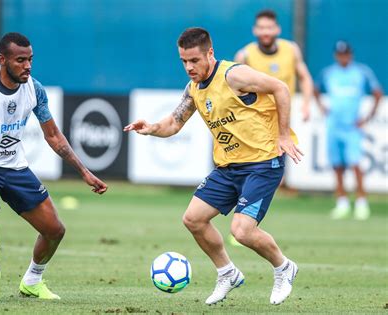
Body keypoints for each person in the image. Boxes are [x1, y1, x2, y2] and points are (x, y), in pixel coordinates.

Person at [124, 27, 302, 305]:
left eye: (194, 60)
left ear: (210, 53)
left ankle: (283, 267)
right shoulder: (193, 89)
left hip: (262, 162)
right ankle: (227, 272)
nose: (188, 67)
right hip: (229, 167)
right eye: (183, 61)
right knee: (193, 219)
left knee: (241, 231)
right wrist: (152, 127)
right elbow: (174, 123)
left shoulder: (234, 75)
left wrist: (282, 134)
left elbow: (280, 88)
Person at [0, 32, 108, 302]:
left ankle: (32, 280)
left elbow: (53, 136)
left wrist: (84, 172)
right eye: (20, 60)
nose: (28, 66)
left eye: (30, 59)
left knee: (55, 230)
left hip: (14, 167)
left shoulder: (34, 88)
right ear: (2, 60)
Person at [314, 40, 383, 220]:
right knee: (337, 165)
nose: (343, 57)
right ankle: (342, 202)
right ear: (336, 55)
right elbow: (315, 89)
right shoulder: (329, 73)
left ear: (350, 55)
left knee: (355, 164)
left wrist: (367, 117)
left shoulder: (361, 72)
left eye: (346, 54)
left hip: (352, 126)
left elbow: (377, 92)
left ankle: (361, 202)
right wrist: (322, 107)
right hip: (333, 125)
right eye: (340, 54)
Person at [234, 9, 313, 121]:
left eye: (270, 28)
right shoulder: (244, 56)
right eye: (261, 28)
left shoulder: (291, 49)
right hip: (257, 121)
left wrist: (306, 104)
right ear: (254, 30)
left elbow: (305, 78)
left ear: (278, 29)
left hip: (285, 119)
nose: (265, 32)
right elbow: (233, 89)